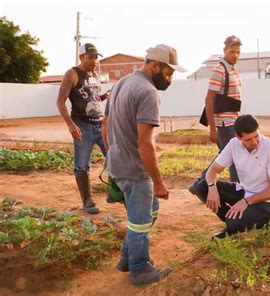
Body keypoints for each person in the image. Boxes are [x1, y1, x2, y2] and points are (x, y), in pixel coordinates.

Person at [102, 44, 187, 285]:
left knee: (149, 210)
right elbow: (144, 143)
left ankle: (127, 259)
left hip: (117, 164)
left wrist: (112, 152)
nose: (170, 79)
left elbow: (105, 123)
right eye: (168, 73)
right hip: (135, 170)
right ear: (154, 66)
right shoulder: (148, 91)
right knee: (140, 221)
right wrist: (159, 181)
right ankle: (139, 269)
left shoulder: (121, 83)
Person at [194, 115, 270, 239]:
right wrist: (212, 188)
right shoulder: (233, 144)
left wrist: (246, 201)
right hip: (244, 191)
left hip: (268, 201)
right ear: (238, 137)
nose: (254, 142)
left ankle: (265, 222)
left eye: (256, 136)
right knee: (202, 186)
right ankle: (233, 223)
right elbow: (213, 170)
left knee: (235, 223)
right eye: (248, 139)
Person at [56, 43, 109, 214]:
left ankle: (117, 192)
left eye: (96, 57)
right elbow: (60, 102)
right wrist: (71, 125)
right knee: (82, 165)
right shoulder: (72, 74)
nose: (94, 61)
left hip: (100, 124)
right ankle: (88, 201)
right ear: (81, 57)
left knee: (114, 156)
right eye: (90, 57)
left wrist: (106, 96)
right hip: (82, 126)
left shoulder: (94, 75)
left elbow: (94, 99)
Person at [189, 35, 243, 196]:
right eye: (232, 51)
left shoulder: (232, 69)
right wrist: (213, 129)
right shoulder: (219, 70)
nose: (235, 55)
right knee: (232, 155)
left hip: (232, 120)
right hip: (223, 123)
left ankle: (199, 185)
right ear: (225, 50)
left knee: (226, 154)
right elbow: (209, 100)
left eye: (238, 52)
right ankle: (237, 189)